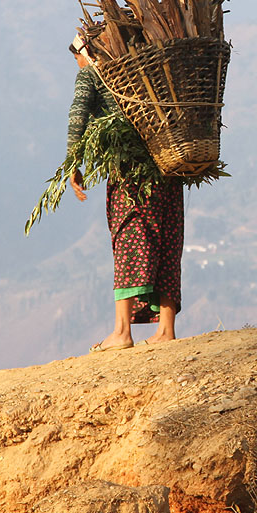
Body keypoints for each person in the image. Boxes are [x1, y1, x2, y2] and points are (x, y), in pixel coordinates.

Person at [67, 32, 184, 351]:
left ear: (87, 51)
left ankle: (121, 332)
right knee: (167, 238)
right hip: (167, 162)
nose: (77, 63)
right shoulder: (147, 69)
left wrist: (73, 163)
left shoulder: (93, 74)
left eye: (76, 56)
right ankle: (166, 329)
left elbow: (78, 116)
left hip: (130, 170)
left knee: (130, 238)